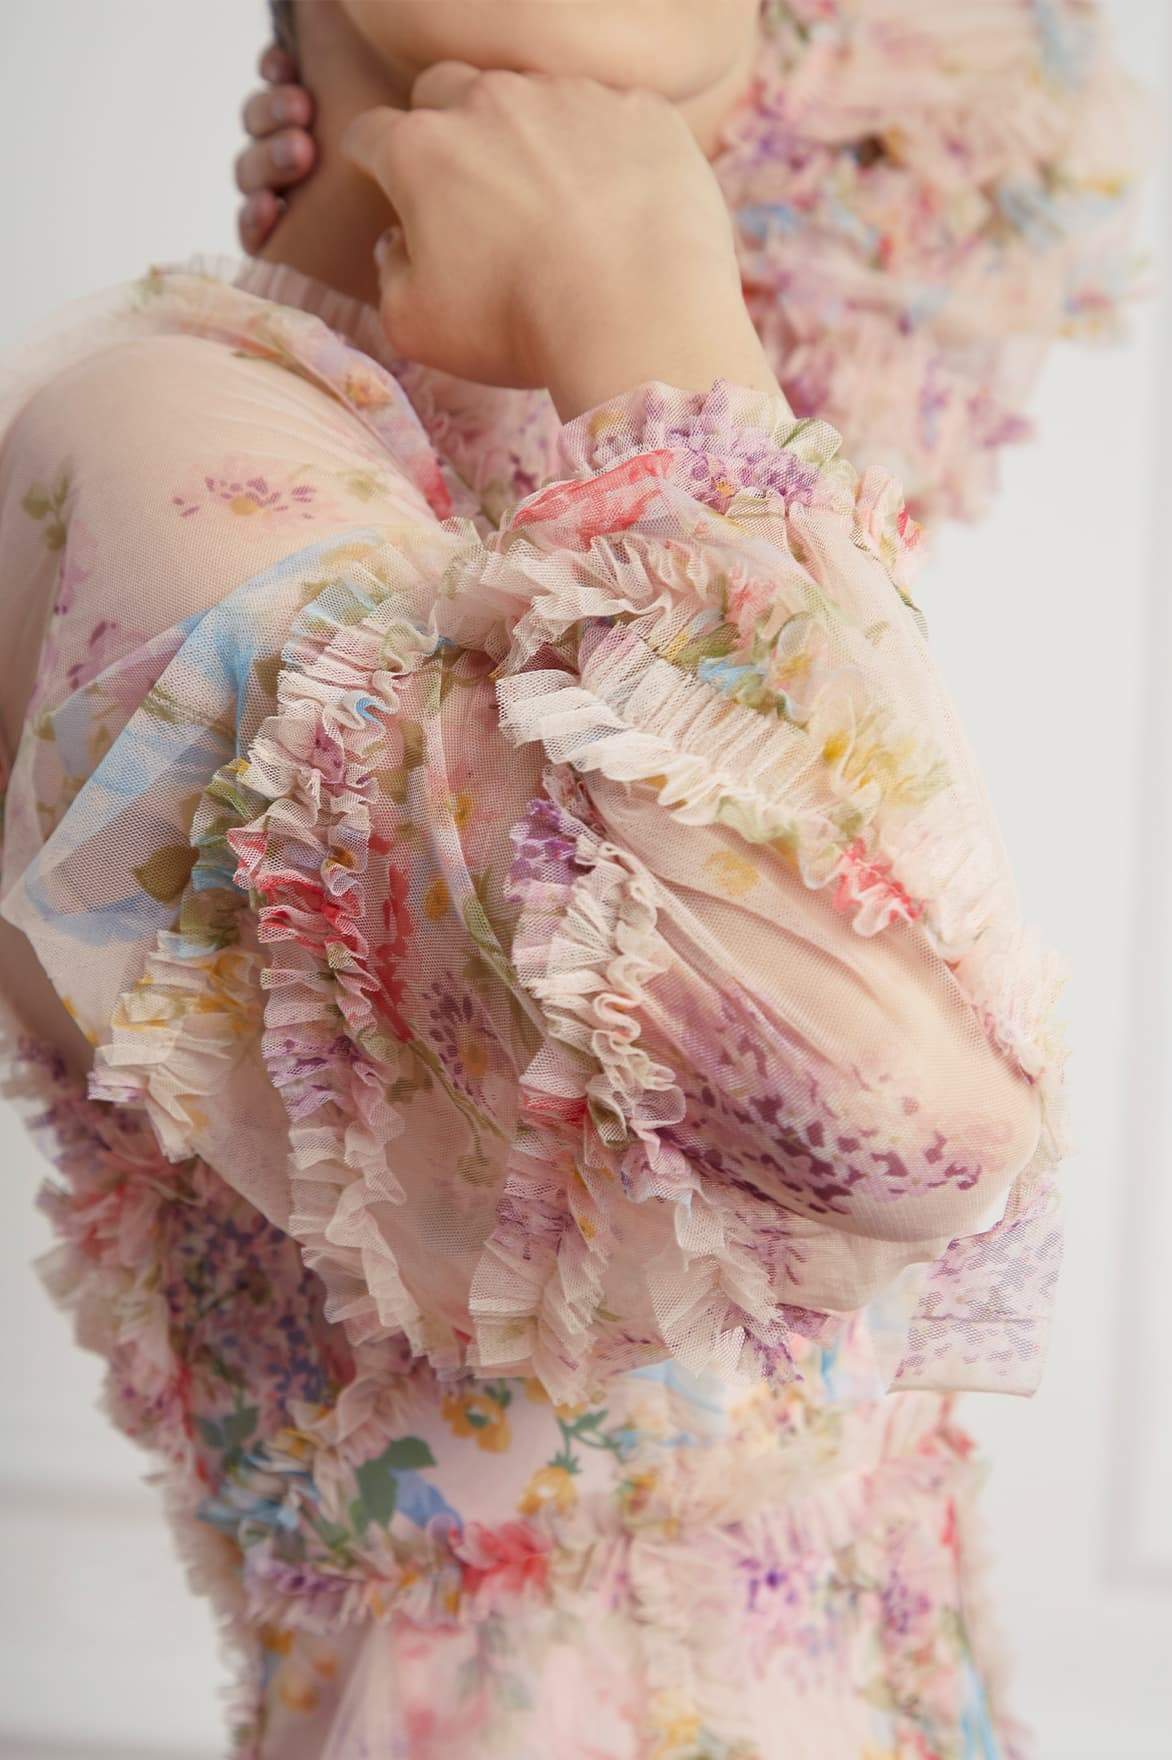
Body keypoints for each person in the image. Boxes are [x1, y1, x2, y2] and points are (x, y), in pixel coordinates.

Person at [0, 3, 1138, 1756]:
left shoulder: (648, 459)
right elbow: (897, 1118)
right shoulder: (156, 448)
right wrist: (664, 341)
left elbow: (999, 126)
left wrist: (649, 240)